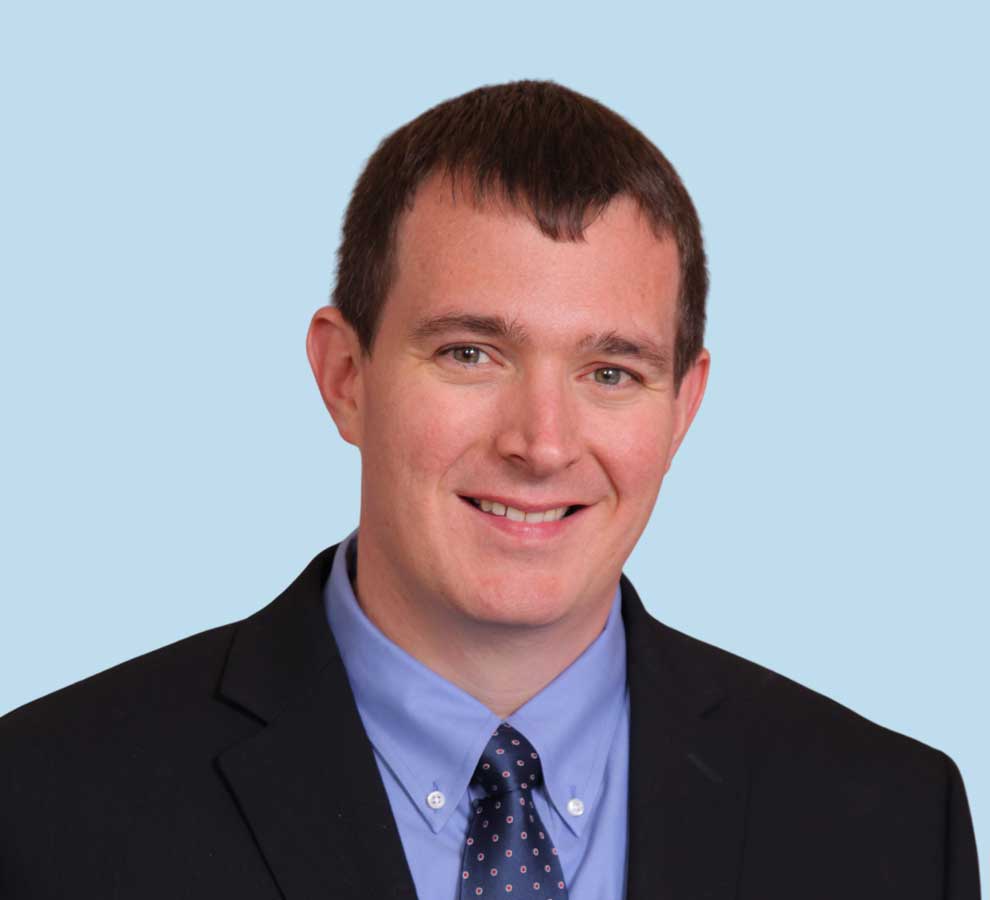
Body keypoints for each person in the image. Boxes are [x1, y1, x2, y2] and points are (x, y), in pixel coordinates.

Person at [0, 80, 980, 899]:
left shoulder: (888, 823)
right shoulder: (43, 808)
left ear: (683, 409)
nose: (541, 444)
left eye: (611, 372)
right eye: (472, 352)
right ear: (347, 375)